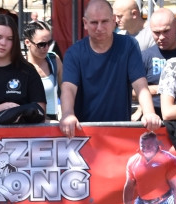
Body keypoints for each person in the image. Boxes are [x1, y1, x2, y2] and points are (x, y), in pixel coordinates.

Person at [58, 0, 160, 137]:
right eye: (94, 22)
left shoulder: (128, 46)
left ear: (113, 21)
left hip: (119, 132)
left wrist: (149, 112)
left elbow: (140, 84)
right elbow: (68, 87)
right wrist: (68, 114)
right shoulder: (74, 53)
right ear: (85, 23)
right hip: (83, 133)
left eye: (104, 21)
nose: (99, 28)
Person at [141, 8, 176, 113]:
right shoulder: (145, 56)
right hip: (154, 116)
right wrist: (163, 88)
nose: (161, 37)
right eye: (156, 32)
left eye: (166, 31)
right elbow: (131, 90)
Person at [23, 20, 61, 120]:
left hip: (53, 120)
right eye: (41, 44)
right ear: (27, 42)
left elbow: (66, 90)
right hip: (27, 121)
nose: (46, 48)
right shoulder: (20, 65)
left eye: (49, 43)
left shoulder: (54, 60)